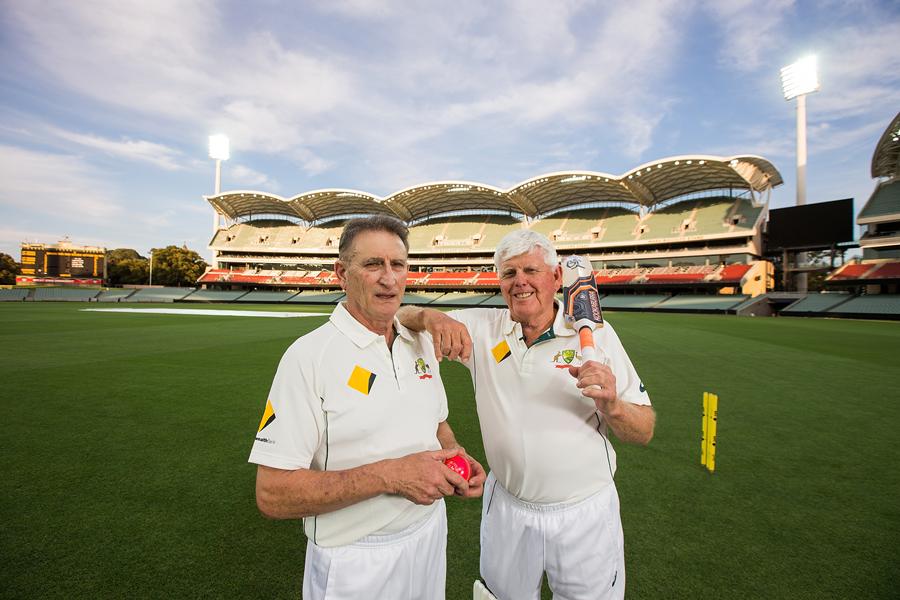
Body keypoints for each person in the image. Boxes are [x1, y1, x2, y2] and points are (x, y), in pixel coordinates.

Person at [398, 229, 655, 600]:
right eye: (509, 273)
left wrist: (612, 405)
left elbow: (643, 430)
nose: (520, 282)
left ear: (555, 278)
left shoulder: (597, 336)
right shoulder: (482, 330)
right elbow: (402, 316)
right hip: (508, 509)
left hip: (583, 514)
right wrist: (430, 316)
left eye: (531, 271)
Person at [249, 215, 485, 600]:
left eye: (399, 265)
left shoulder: (419, 342)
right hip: (355, 559)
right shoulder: (308, 357)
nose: (389, 279)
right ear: (342, 273)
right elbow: (272, 493)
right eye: (373, 264)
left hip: (428, 534)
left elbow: (437, 424)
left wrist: (456, 459)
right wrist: (391, 475)